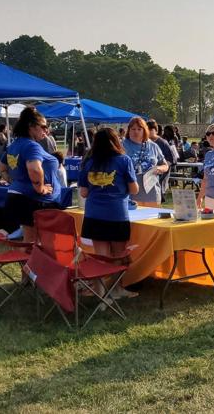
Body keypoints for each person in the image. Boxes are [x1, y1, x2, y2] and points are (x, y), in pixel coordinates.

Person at [78, 127, 139, 299]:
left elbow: (83, 192)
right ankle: (116, 289)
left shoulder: (89, 162)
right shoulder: (124, 160)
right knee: (118, 255)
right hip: (116, 214)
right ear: (116, 141)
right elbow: (134, 189)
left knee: (101, 256)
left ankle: (101, 291)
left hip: (94, 215)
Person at [0, 107, 62, 243]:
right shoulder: (32, 146)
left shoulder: (14, 145)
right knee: (48, 241)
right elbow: (34, 169)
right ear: (31, 126)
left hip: (19, 197)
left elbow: (1, 167)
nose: (46, 130)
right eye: (43, 126)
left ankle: (29, 260)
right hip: (34, 200)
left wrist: (13, 181)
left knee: (30, 240)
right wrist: (41, 188)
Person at [122, 116, 169, 207]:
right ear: (129, 130)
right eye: (133, 129)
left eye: (139, 129)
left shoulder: (153, 146)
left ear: (144, 130)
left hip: (152, 193)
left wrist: (160, 168)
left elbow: (165, 165)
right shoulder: (122, 146)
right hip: (130, 194)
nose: (136, 132)